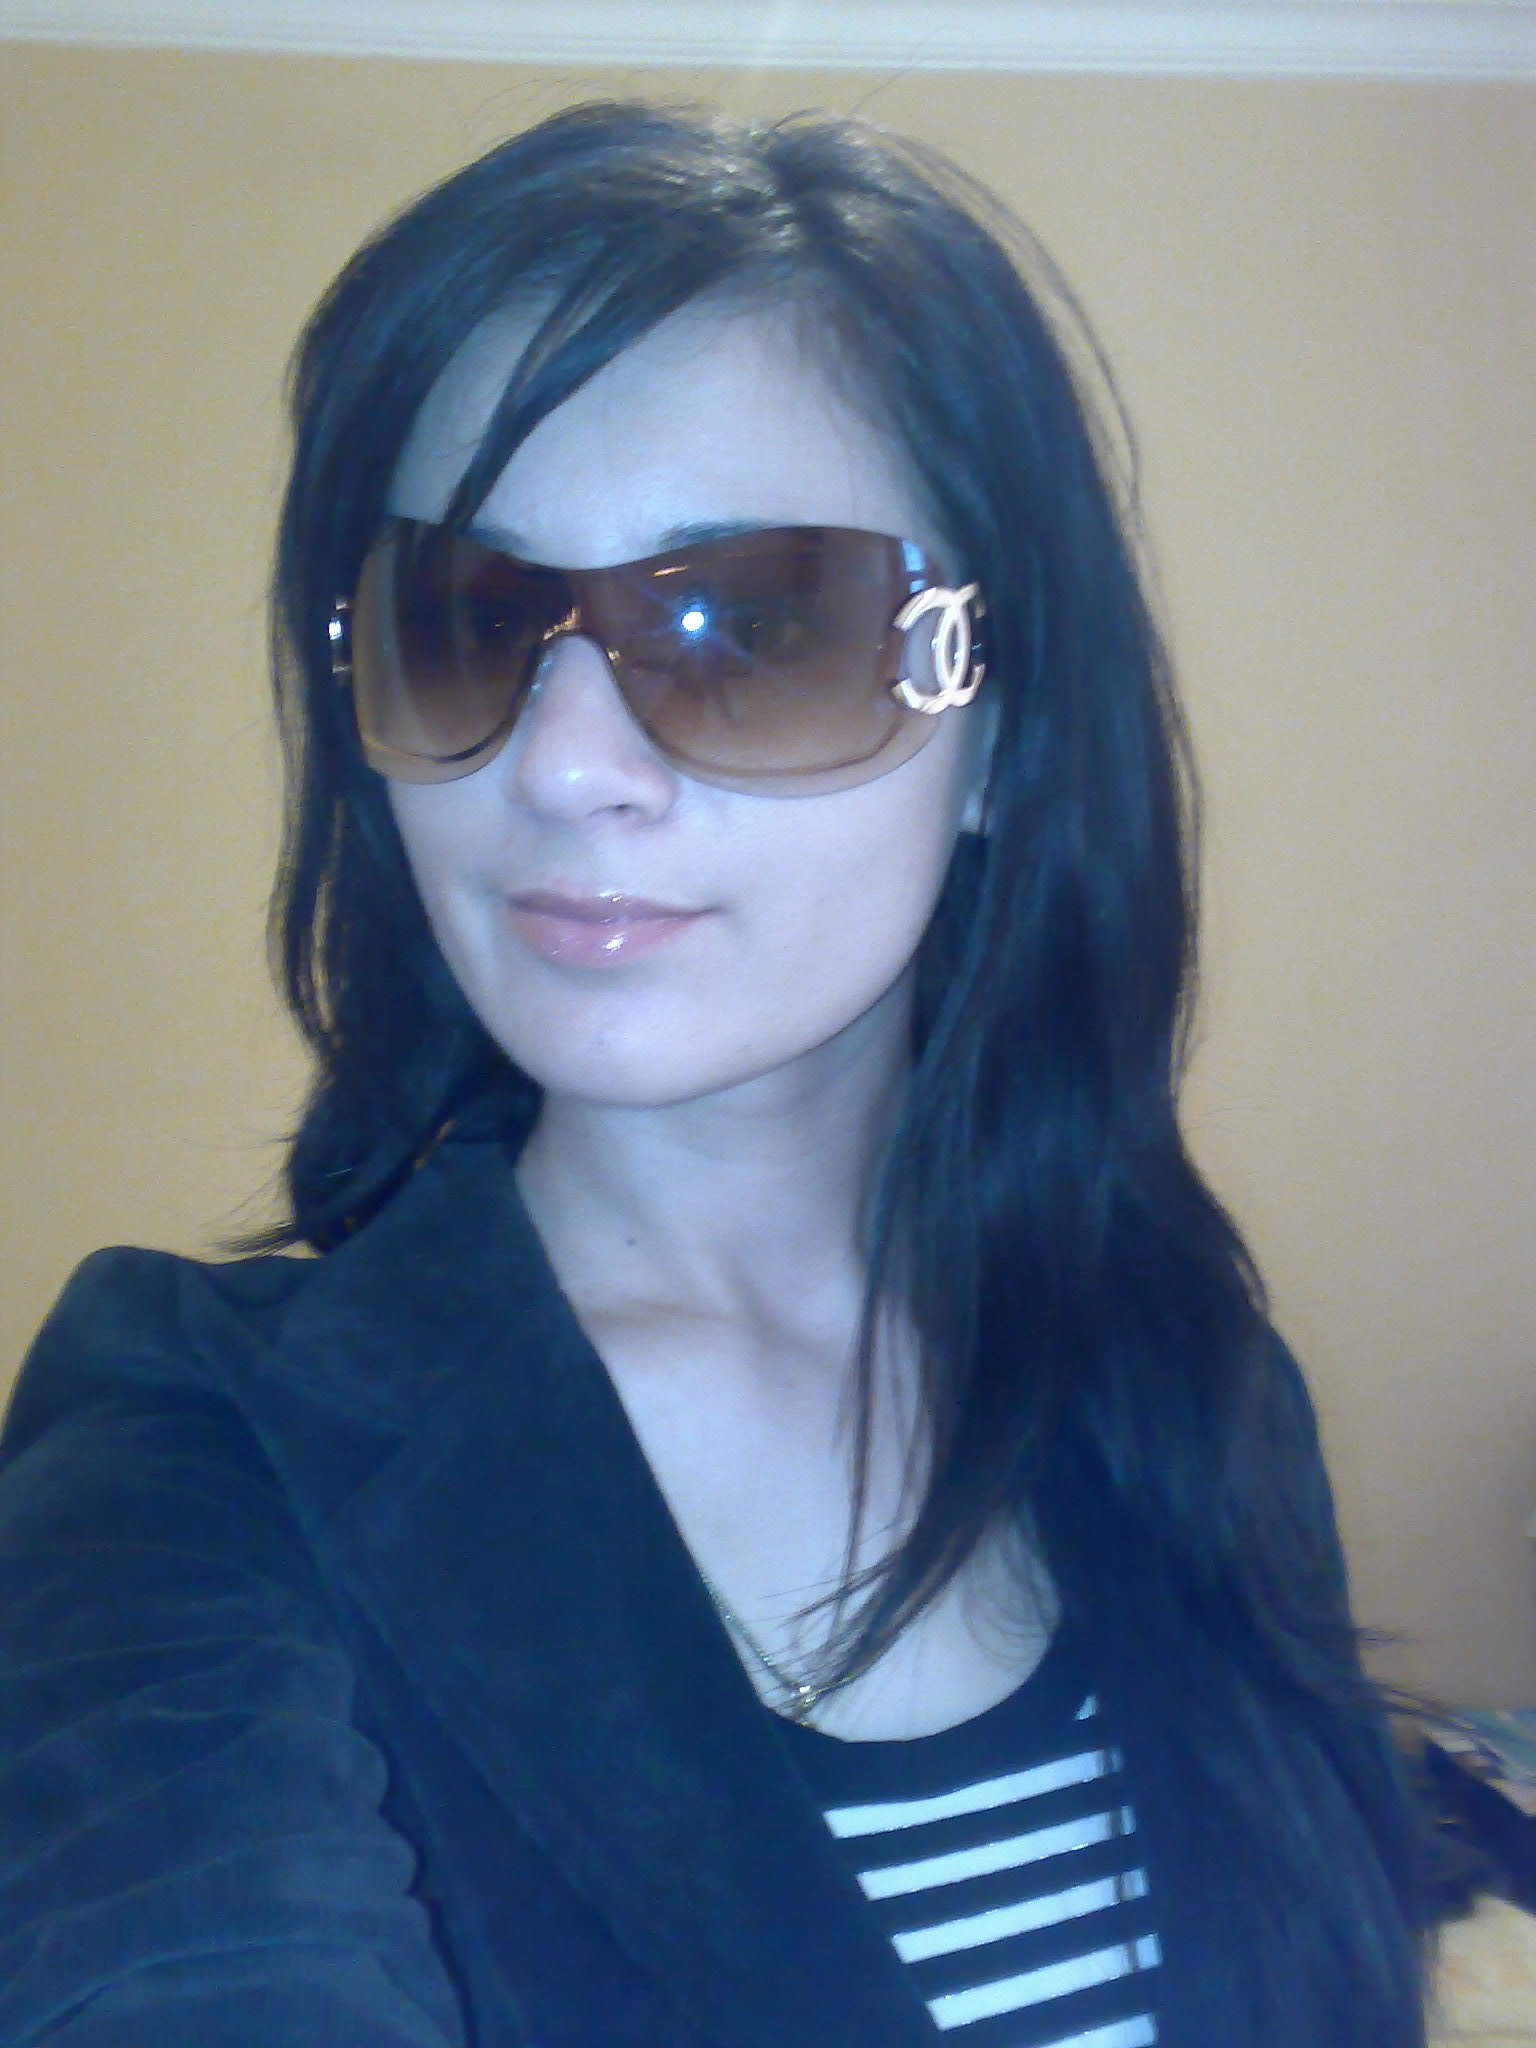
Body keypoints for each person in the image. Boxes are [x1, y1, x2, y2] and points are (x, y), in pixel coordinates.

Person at [0, 99, 1438, 2047]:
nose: (564, 763)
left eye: (754, 627)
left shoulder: (1196, 1389)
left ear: (999, 727)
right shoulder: (186, 1448)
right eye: (467, 622)